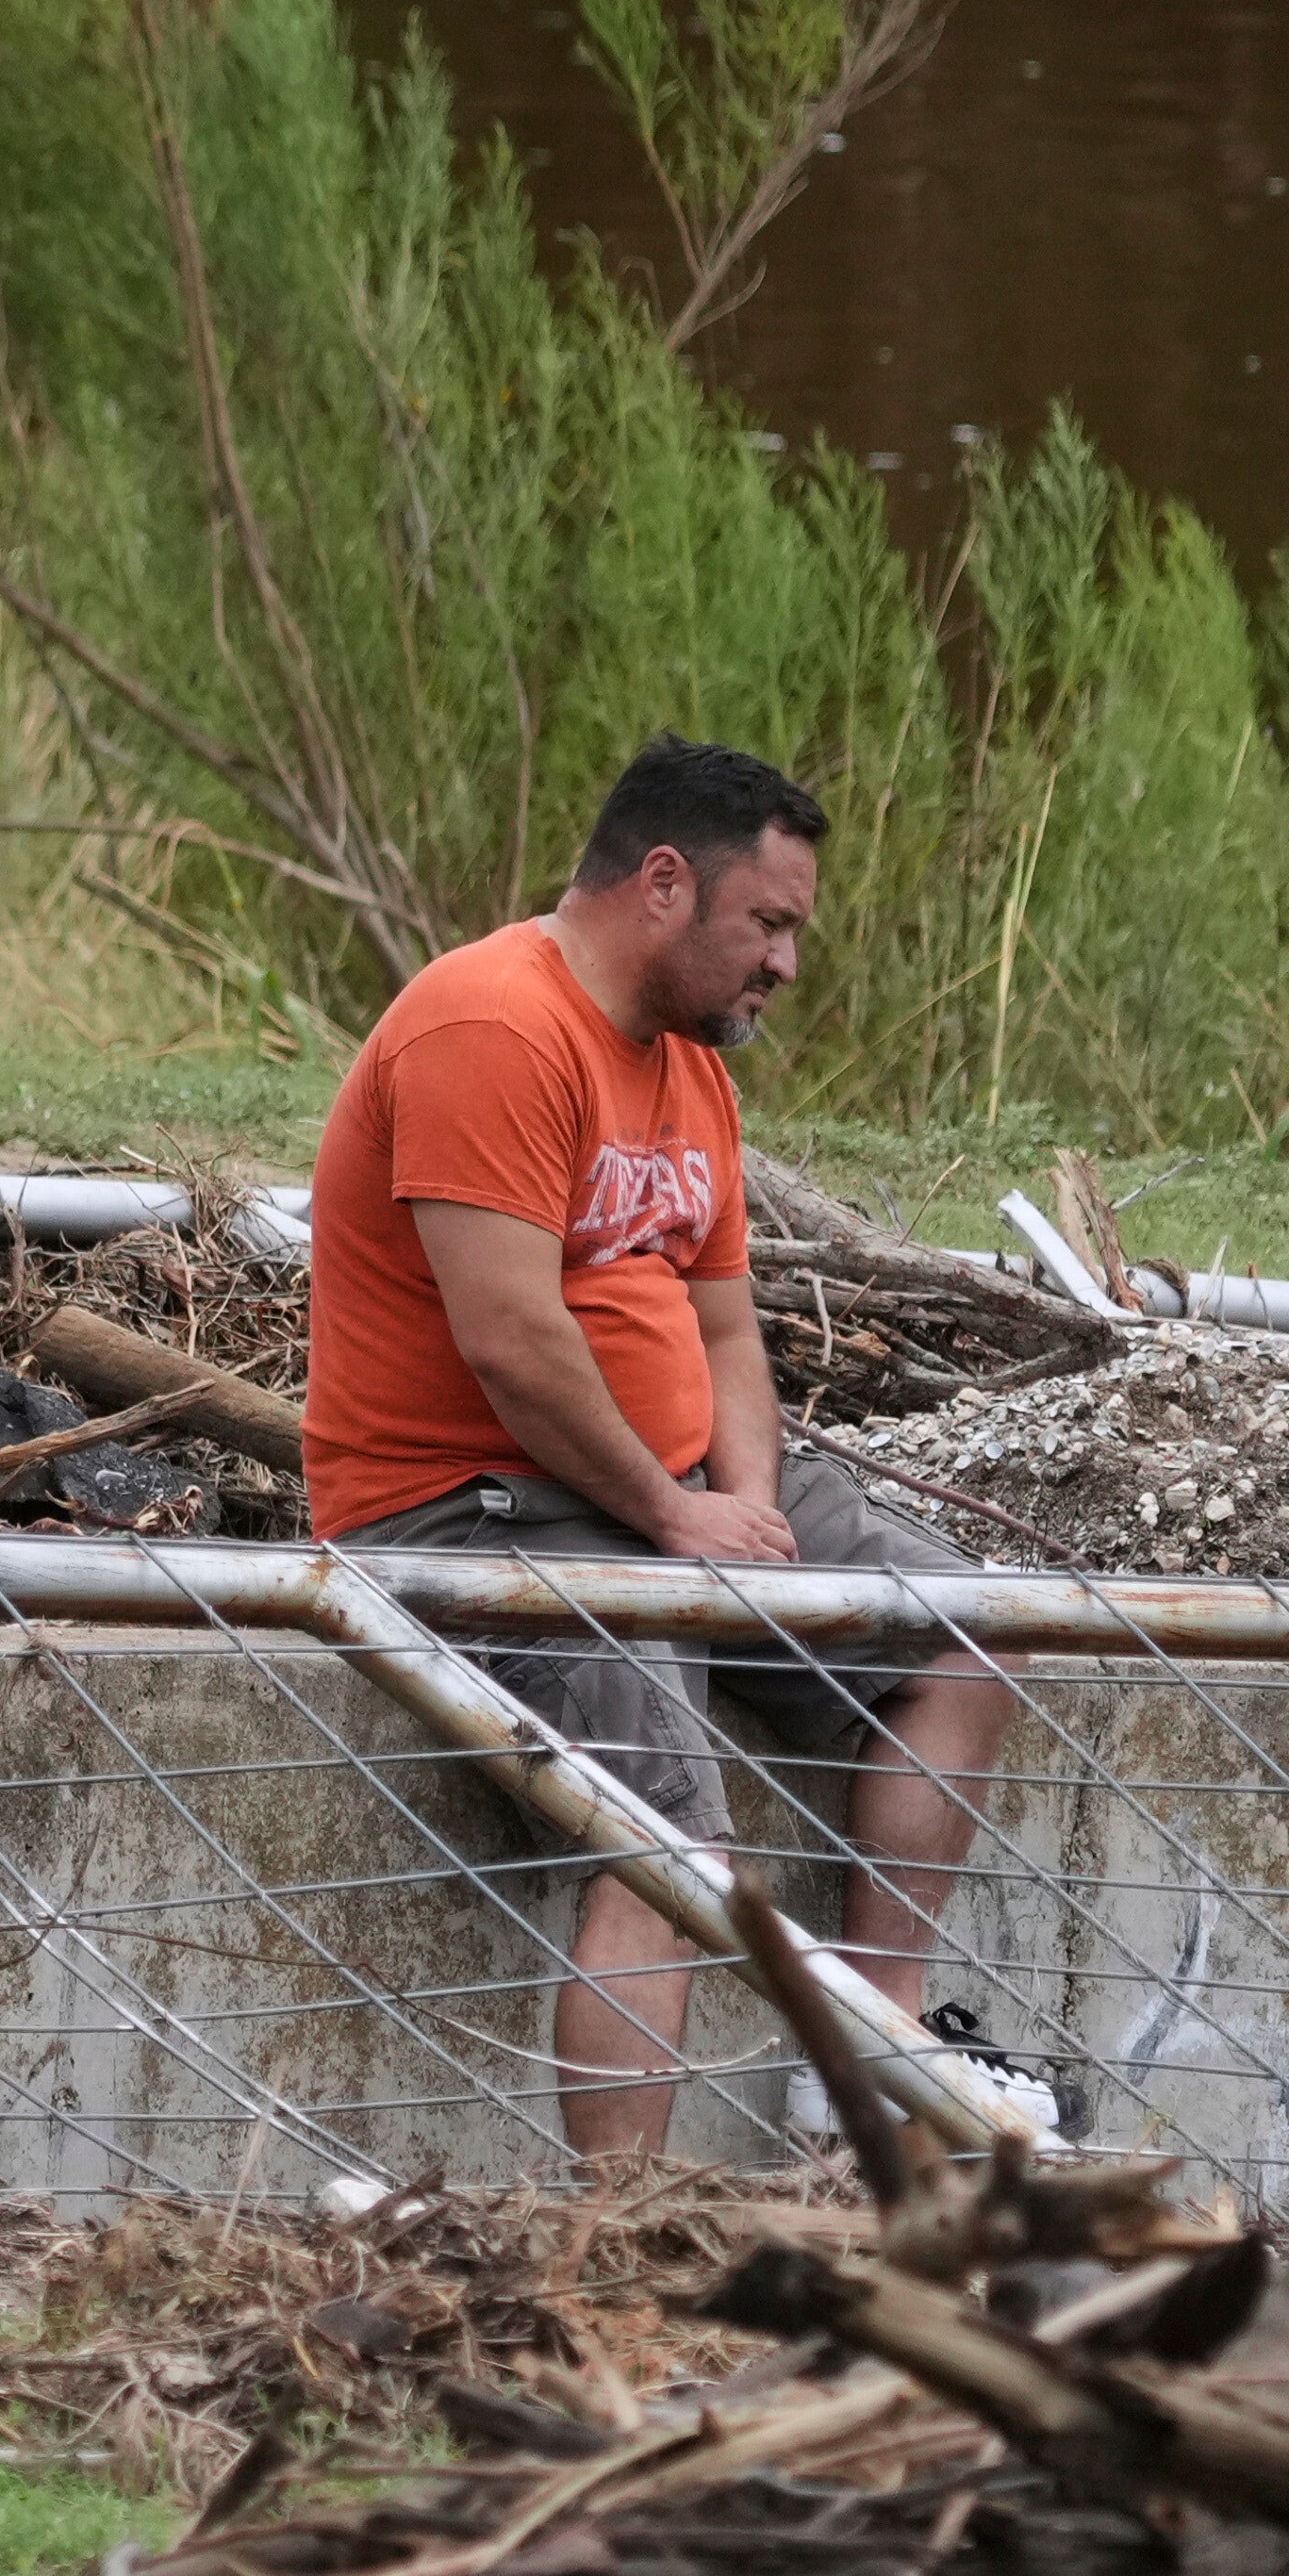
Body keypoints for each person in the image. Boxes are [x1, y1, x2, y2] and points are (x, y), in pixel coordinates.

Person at [302, 736, 1010, 2172]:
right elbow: (509, 1336)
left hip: (663, 1496)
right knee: (671, 1840)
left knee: (961, 1646)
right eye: (771, 923)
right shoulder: (492, 1027)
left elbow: (727, 1333)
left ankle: (872, 2066)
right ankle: (618, 2235)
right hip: (473, 1514)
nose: (786, 964)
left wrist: (744, 1505)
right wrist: (669, 1521)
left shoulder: (691, 1074)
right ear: (666, 885)